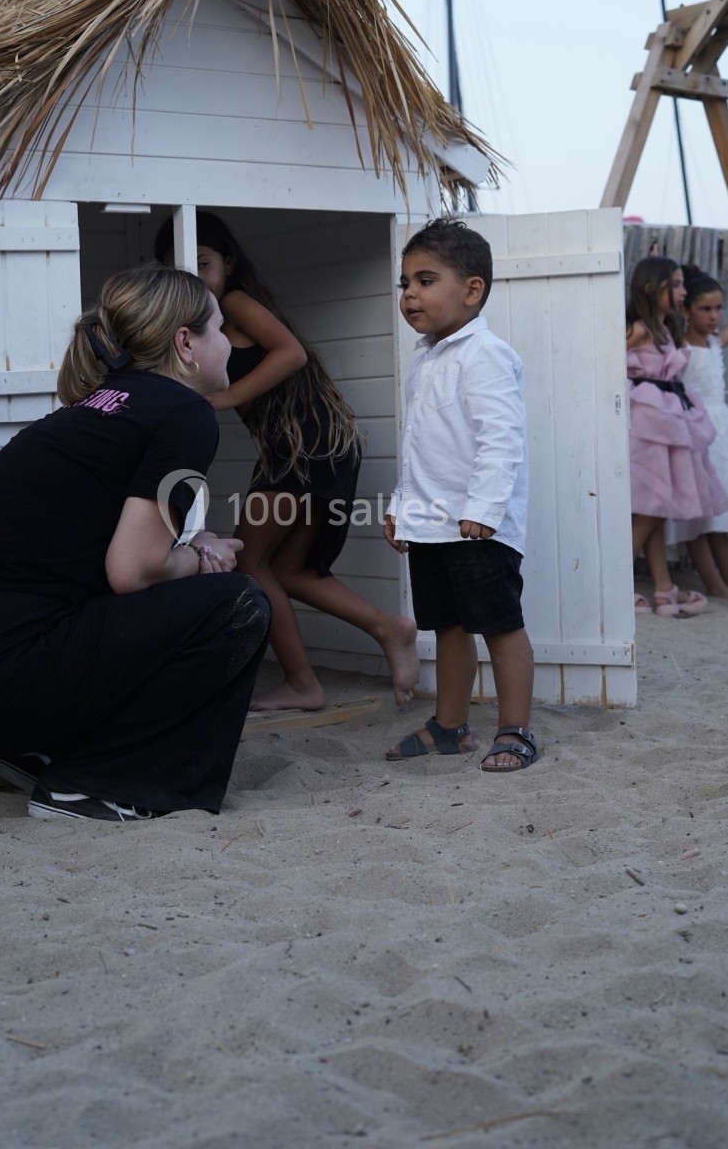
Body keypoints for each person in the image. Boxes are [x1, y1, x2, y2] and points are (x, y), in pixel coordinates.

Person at [0, 264, 271, 822]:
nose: (229, 344)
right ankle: (107, 785)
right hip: (0, 680)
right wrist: (202, 559)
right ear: (185, 344)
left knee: (153, 603)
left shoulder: (92, 408)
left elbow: (97, 556)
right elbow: (132, 570)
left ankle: (44, 755)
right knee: (238, 604)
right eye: (219, 329)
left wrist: (189, 548)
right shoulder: (184, 413)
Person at [154, 212, 419, 712]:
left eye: (203, 264)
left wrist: (226, 399)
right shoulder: (195, 327)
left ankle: (302, 683)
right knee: (293, 569)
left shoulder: (232, 303)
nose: (194, 278)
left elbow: (291, 353)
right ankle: (389, 627)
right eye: (177, 270)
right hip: (314, 445)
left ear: (228, 263)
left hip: (307, 443)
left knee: (251, 560)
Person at [382, 218, 538, 774]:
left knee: (499, 622)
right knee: (446, 624)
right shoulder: (427, 357)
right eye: (404, 284)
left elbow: (502, 439)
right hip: (430, 521)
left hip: (479, 524)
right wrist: (403, 505)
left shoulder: (485, 355)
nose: (411, 295)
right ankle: (449, 727)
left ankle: (516, 730)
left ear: (472, 289)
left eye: (425, 280)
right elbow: (419, 445)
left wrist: (483, 510)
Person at [626, 256, 728, 615]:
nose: (683, 291)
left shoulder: (664, 329)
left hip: (670, 420)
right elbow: (609, 370)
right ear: (652, 288)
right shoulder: (636, 330)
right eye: (677, 284)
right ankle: (616, 582)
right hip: (649, 424)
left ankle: (664, 587)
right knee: (651, 507)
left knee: (659, 507)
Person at [665, 266, 728, 597]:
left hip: (722, 437)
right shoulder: (681, 350)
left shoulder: (716, 343)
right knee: (700, 513)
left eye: (718, 308)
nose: (714, 316)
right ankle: (714, 583)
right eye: (705, 309)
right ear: (686, 310)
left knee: (721, 512)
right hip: (696, 434)